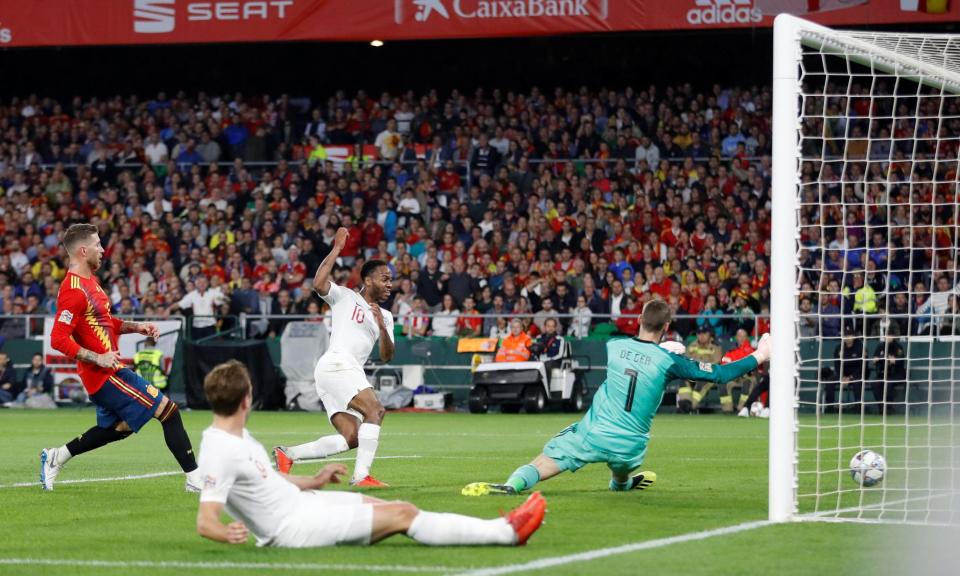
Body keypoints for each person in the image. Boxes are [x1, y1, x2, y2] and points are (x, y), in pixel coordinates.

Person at [197, 360, 546, 548]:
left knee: (382, 507)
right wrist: (225, 533)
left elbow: (266, 480)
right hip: (295, 527)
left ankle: (502, 527)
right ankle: (505, 532)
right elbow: (206, 520)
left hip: (304, 505)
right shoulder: (221, 449)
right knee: (403, 514)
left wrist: (312, 479)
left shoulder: (235, 437)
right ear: (246, 400)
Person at [462, 300, 770, 496]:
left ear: (638, 318)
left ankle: (510, 485)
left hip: (593, 435)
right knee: (621, 465)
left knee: (543, 462)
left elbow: (638, 355)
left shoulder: (614, 347)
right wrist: (760, 354)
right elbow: (718, 375)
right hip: (632, 446)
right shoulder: (670, 361)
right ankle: (620, 482)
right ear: (665, 328)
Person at [40, 223, 201, 491]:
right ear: (83, 250)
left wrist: (137, 327)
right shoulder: (73, 291)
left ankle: (57, 456)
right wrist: (97, 357)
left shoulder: (91, 283)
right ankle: (196, 480)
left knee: (118, 428)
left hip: (109, 370)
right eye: (98, 245)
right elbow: (58, 338)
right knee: (168, 411)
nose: (103, 250)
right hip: (104, 374)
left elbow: (105, 323)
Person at [274, 228, 395, 488]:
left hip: (342, 372)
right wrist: (338, 248)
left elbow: (386, 356)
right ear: (369, 280)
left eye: (391, 280)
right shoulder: (345, 297)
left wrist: (382, 327)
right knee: (376, 411)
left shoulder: (386, 317)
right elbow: (318, 284)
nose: (389, 284)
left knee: (353, 437)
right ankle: (362, 476)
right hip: (338, 364)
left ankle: (288, 454)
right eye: (385, 278)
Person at [678, 326, 723, 413]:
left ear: (709, 335)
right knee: (683, 380)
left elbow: (716, 363)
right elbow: (686, 361)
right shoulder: (692, 346)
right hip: (693, 373)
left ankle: (690, 407)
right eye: (699, 333)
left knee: (701, 383)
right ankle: (685, 403)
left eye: (704, 333)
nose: (701, 336)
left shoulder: (715, 347)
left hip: (709, 375)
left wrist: (701, 368)